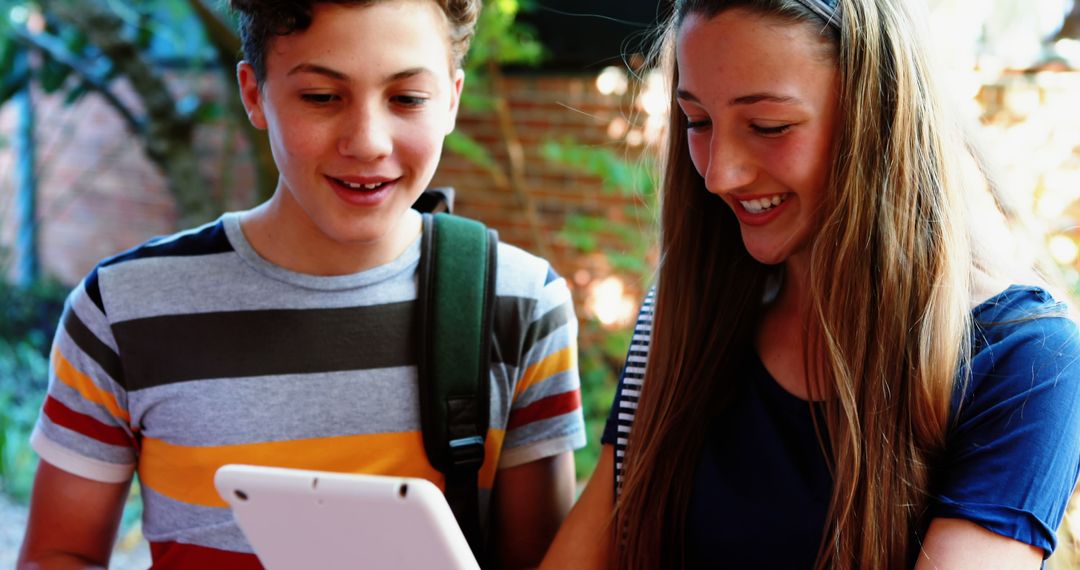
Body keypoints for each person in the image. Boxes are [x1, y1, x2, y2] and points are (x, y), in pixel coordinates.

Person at [18, 1, 585, 568]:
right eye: (321, 97)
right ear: (253, 93)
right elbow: (58, 552)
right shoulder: (123, 309)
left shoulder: (521, 305)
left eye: (407, 98)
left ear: (453, 100)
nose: (367, 142)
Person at [541, 0, 1080, 568]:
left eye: (769, 126)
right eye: (697, 121)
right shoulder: (685, 307)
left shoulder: (1028, 359)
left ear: (878, 116)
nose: (719, 173)